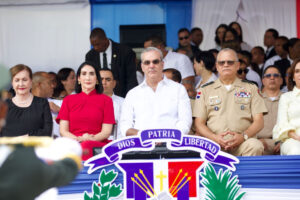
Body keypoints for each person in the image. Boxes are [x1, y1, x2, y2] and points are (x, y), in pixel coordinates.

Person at [193, 48, 267, 156]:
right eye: (222, 63)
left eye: (230, 62)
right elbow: (199, 123)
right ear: (217, 67)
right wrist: (215, 138)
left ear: (237, 65)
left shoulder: (251, 88)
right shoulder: (204, 90)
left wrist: (243, 136)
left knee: (255, 146)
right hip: (214, 143)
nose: (226, 65)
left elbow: (259, 121)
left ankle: (246, 174)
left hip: (243, 142)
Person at [120, 47, 192, 136]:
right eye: (147, 62)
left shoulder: (178, 89)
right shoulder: (132, 94)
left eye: (155, 62)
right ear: (142, 67)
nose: (151, 66)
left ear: (162, 64)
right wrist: (146, 136)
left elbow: (185, 122)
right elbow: (124, 126)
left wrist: (166, 136)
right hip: (141, 146)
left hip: (172, 145)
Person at [56, 61, 115, 160]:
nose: (88, 78)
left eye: (92, 74)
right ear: (79, 78)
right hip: (73, 144)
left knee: (86, 146)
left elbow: (106, 132)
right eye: (84, 74)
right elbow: (63, 131)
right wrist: (80, 140)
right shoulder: (68, 100)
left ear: (97, 79)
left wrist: (88, 140)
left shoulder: (106, 101)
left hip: (97, 146)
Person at [0, 64, 52, 137]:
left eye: (25, 80)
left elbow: (47, 131)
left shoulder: (42, 103)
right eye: (17, 80)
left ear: (31, 82)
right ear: (12, 83)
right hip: (9, 147)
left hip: (35, 147)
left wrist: (26, 137)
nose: (21, 84)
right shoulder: (3, 105)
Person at [85, 27, 138, 97]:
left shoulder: (125, 52)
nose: (95, 48)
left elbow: (131, 79)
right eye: (93, 45)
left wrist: (131, 98)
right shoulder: (90, 56)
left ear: (105, 39)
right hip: (98, 97)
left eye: (97, 44)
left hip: (122, 97)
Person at [273, 58, 300, 155]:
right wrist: (297, 138)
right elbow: (282, 124)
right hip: (292, 140)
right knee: (296, 151)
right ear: (293, 77)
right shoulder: (286, 97)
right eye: (297, 71)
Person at [257, 66, 283, 155]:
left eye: (275, 75)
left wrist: (285, 141)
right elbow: (246, 123)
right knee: (254, 146)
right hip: (261, 142)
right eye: (268, 76)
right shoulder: (256, 99)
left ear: (281, 80)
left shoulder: (289, 98)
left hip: (284, 141)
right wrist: (255, 139)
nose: (272, 78)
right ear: (263, 81)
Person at [32, 72, 61, 138]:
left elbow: (79, 121)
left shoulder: (59, 103)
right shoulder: (23, 104)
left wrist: (60, 110)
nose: (53, 86)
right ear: (39, 84)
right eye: (49, 83)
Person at [100, 69, 124, 140]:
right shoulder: (88, 102)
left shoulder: (124, 103)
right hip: (94, 144)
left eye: (108, 79)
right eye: (101, 79)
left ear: (114, 83)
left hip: (118, 144)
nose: (104, 82)